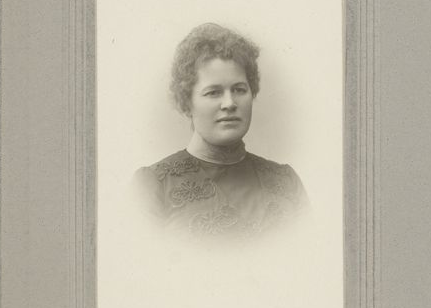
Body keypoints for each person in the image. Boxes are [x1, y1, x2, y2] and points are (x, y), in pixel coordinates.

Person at [132, 23, 309, 237]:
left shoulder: (286, 182)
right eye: (213, 92)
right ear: (187, 103)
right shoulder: (154, 186)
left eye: (239, 90)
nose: (229, 103)